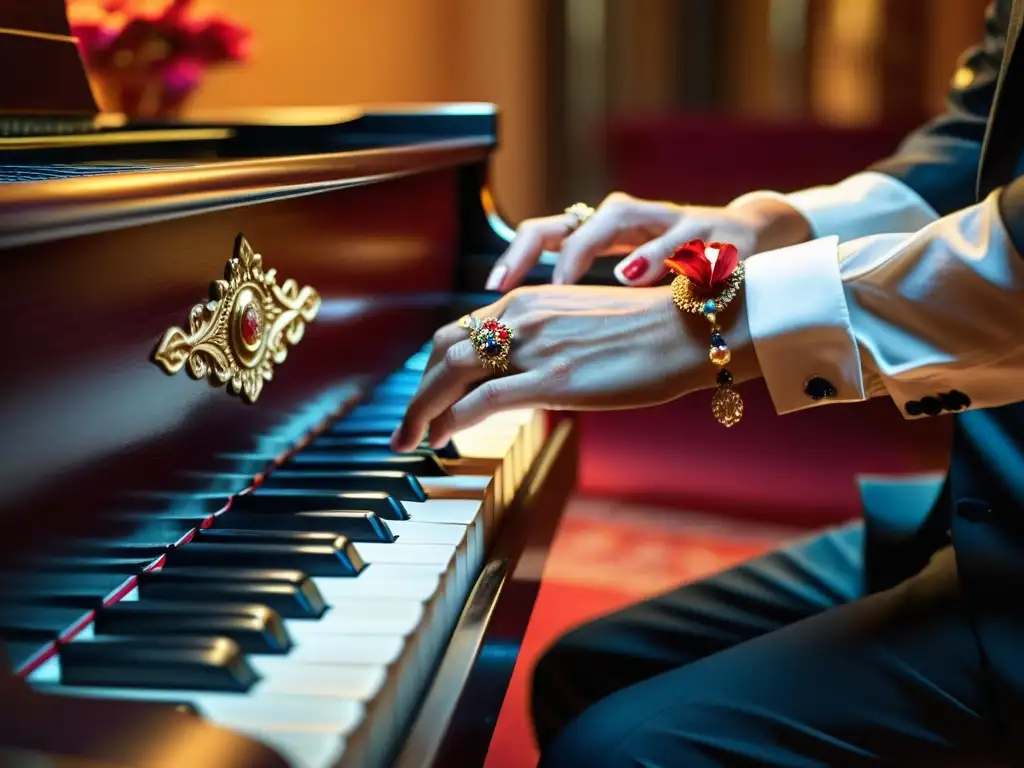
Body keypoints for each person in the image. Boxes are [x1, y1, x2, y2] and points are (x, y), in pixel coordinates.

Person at [391, 0, 1024, 764]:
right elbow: (976, 142)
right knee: (587, 670)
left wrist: (700, 323)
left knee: (618, 752)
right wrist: (766, 221)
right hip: (984, 492)